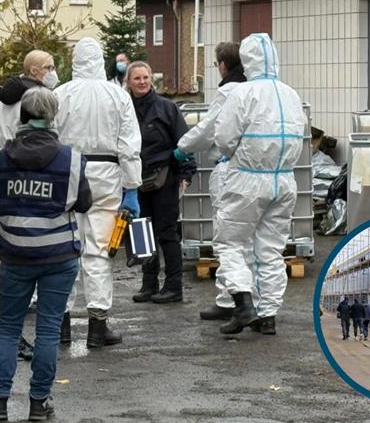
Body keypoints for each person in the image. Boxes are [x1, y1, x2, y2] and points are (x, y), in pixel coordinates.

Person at [0, 87, 92, 421]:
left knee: (8, 328)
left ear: (22, 116)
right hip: (59, 255)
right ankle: (39, 404)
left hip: (15, 255)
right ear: (53, 117)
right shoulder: (70, 158)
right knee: (47, 330)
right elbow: (83, 202)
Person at [210, 33, 307, 335]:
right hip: (283, 180)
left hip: (247, 180)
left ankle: (243, 305)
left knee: (231, 243)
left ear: (247, 60)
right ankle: (268, 316)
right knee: (271, 249)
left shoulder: (243, 94)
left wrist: (233, 156)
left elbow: (224, 139)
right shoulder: (290, 94)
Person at [53, 37, 142, 348]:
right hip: (107, 176)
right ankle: (97, 325)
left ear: (75, 61)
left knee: (64, 250)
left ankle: (60, 324)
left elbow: (49, 137)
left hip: (67, 174)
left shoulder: (60, 94)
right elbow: (129, 146)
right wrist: (132, 187)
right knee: (100, 250)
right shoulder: (117, 96)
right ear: (102, 60)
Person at [176, 41, 246, 321]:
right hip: (259, 174)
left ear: (222, 65)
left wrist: (183, 147)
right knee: (253, 241)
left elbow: (210, 129)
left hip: (229, 169)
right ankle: (259, 305)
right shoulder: (262, 89)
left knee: (227, 238)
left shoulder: (228, 91)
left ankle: (229, 300)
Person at [126, 61, 196, 304]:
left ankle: (174, 285)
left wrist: (186, 173)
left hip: (164, 178)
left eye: (146, 77)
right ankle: (149, 283)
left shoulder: (167, 108)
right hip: (135, 179)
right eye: (137, 78)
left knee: (167, 233)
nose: (142, 81)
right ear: (129, 82)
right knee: (141, 231)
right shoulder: (124, 109)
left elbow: (184, 142)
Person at [0, 50, 58, 148]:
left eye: (53, 68)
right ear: (33, 71)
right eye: (48, 68)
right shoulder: (36, 98)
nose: (52, 72)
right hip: (24, 152)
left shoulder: (9, 92)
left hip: (4, 151)